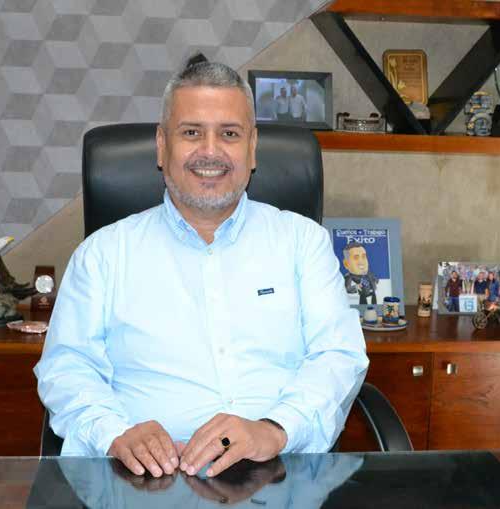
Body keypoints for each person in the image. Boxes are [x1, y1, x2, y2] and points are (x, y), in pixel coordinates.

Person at [34, 56, 368, 480]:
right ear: (162, 145)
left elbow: (338, 357)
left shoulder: (304, 244)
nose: (210, 151)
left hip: (280, 476)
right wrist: (115, 432)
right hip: (143, 481)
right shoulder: (102, 255)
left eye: (229, 134)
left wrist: (274, 429)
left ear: (252, 148)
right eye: (191, 132)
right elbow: (67, 368)